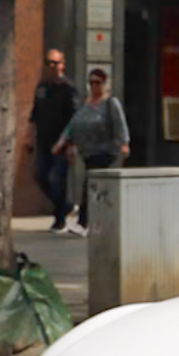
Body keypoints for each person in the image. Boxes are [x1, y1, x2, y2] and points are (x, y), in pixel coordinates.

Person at [59, 67, 130, 235]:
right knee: (98, 189)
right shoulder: (86, 104)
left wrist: (124, 143)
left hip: (105, 151)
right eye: (91, 82)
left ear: (104, 84)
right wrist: (69, 143)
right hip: (88, 152)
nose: (93, 86)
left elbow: (120, 124)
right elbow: (74, 125)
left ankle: (83, 223)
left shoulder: (111, 103)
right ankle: (100, 222)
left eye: (97, 83)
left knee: (89, 186)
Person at [29, 48, 78, 232]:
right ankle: (64, 206)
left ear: (62, 65)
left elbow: (74, 118)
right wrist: (29, 137)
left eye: (55, 63)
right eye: (48, 62)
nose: (52, 66)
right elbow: (34, 115)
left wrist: (71, 144)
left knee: (59, 179)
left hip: (62, 143)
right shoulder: (42, 87)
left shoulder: (68, 88)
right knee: (40, 176)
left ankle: (59, 219)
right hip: (43, 140)